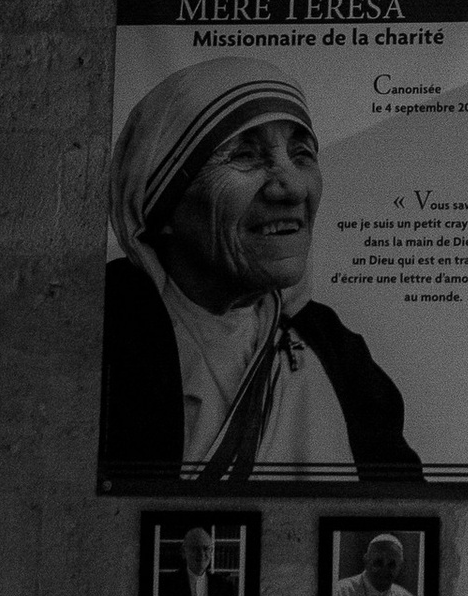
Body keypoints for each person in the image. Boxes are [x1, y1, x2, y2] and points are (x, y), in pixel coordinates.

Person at [98, 55, 421, 489]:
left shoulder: (335, 349)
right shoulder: (108, 335)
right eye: (246, 156)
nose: (290, 187)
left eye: (301, 153)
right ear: (163, 205)